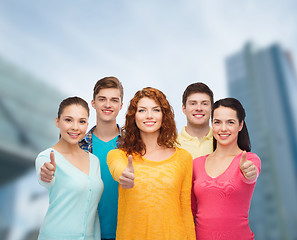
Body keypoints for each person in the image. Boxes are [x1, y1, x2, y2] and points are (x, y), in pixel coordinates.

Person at [107, 87, 195, 240]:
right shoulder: (118, 156)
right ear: (133, 117)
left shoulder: (184, 158)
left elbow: (185, 210)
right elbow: (118, 169)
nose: (149, 116)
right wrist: (123, 175)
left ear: (164, 115)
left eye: (155, 110)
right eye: (142, 110)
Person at [191, 97, 261, 240]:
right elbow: (191, 209)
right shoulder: (196, 164)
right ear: (212, 124)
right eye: (217, 122)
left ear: (240, 125)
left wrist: (249, 173)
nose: (223, 128)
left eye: (230, 122)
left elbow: (251, 175)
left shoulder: (249, 159)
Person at [35, 96, 103, 240]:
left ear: (87, 124)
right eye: (68, 120)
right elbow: (45, 178)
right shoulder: (46, 158)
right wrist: (47, 174)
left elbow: (93, 210)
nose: (75, 127)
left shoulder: (94, 161)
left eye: (82, 121)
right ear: (57, 122)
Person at [79, 76, 123, 240]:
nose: (107, 105)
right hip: (86, 233)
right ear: (93, 103)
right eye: (102, 99)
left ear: (120, 105)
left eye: (114, 100)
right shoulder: (78, 144)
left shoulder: (134, 145)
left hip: (125, 233)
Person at [177, 82, 214, 159]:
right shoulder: (171, 144)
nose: (199, 108)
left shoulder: (222, 142)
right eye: (193, 103)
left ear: (212, 109)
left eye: (204, 104)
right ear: (184, 109)